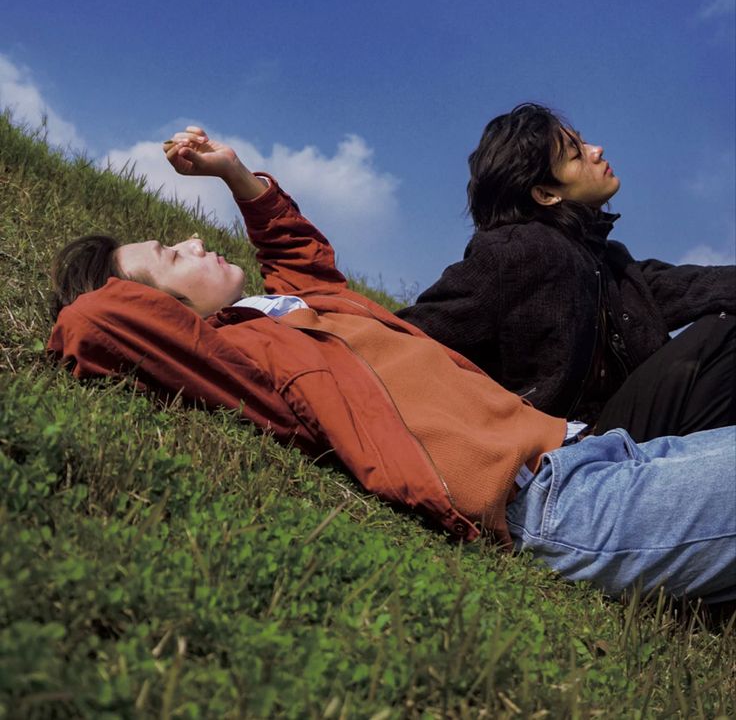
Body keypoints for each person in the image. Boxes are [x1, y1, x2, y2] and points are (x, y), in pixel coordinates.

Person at [48, 125, 736, 602]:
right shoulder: (237, 357)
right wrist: (120, 280)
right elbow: (90, 325)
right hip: (555, 506)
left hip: (599, 453)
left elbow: (297, 254)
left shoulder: (288, 310)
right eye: (172, 256)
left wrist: (231, 171)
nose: (193, 240)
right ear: (162, 312)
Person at [397, 103, 735, 440]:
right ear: (545, 194)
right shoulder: (517, 251)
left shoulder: (610, 264)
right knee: (725, 336)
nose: (597, 151)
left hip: (622, 438)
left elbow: (700, 286)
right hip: (561, 454)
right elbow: (407, 338)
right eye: (576, 155)